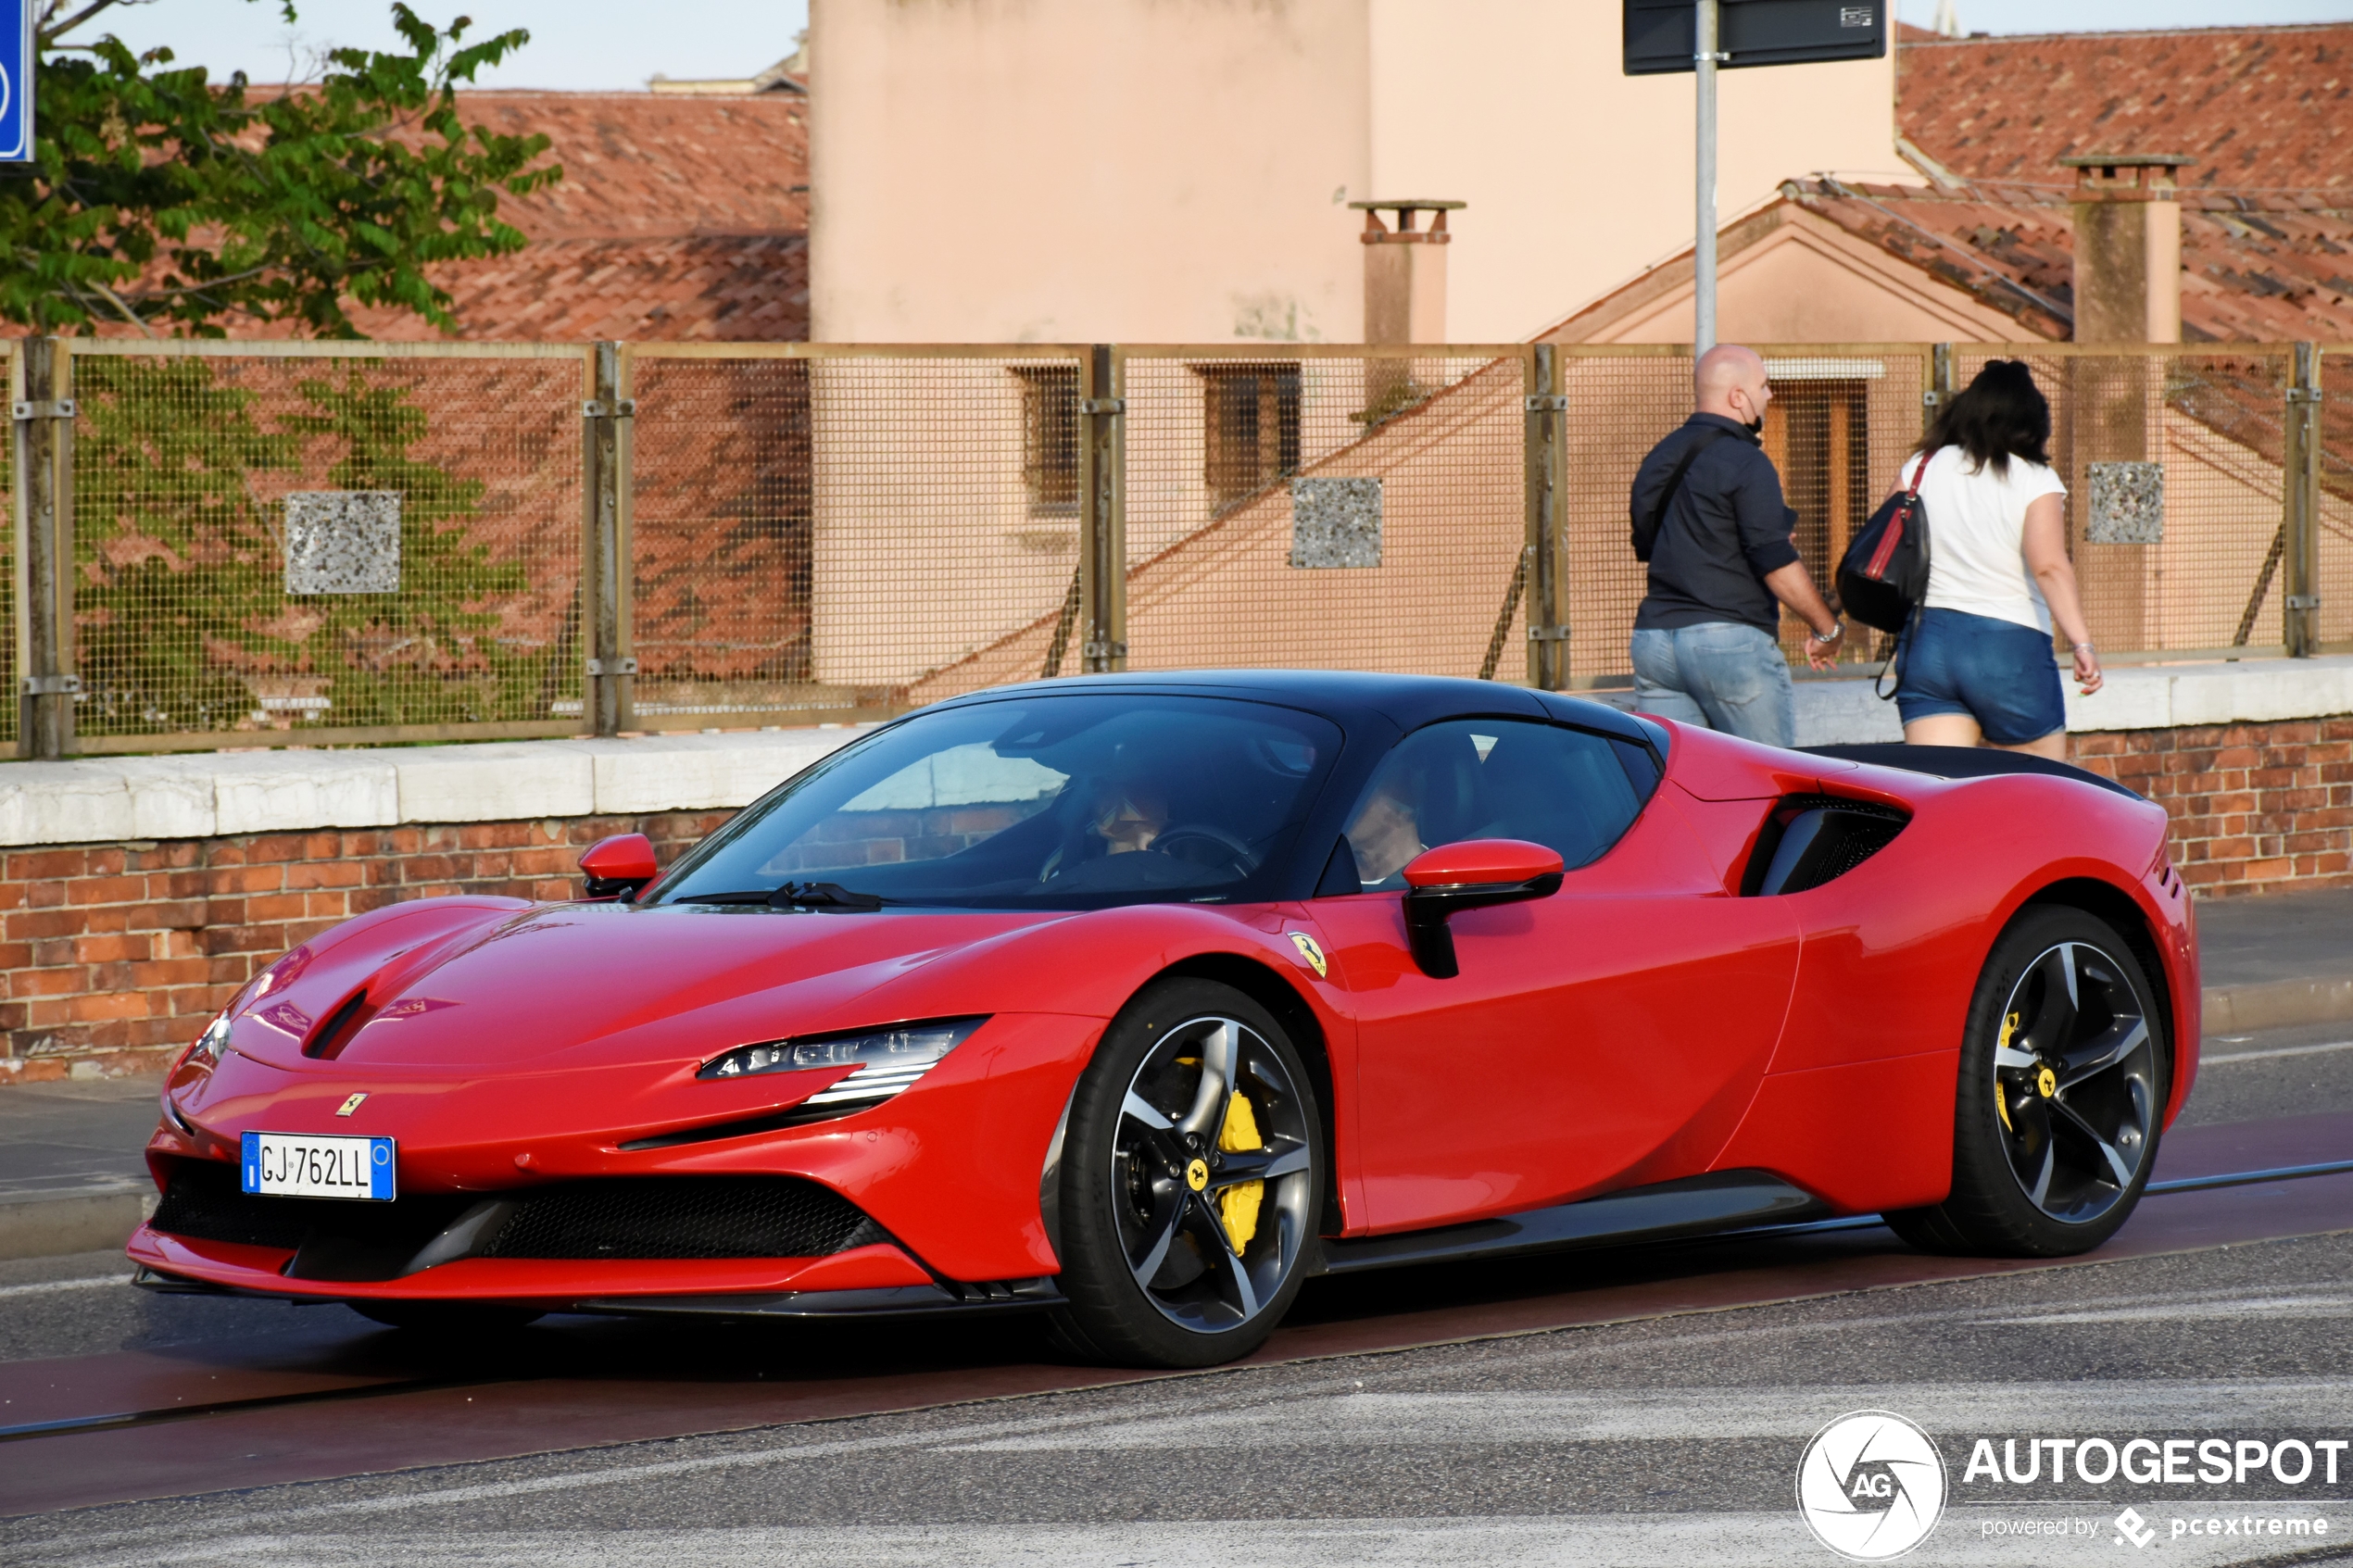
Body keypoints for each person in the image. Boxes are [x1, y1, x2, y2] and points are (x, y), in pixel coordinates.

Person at [1629, 345, 1844, 746]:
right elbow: (1774, 561)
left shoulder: (1659, 456)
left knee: (1677, 785)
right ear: (1737, 397)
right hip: (1728, 642)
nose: (1770, 395)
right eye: (1763, 386)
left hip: (1655, 644)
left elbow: (1650, 543)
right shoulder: (1747, 460)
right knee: (1768, 780)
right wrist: (1828, 628)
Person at [1892, 360, 2103, 759]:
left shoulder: (1922, 467)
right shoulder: (2034, 479)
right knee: (2035, 794)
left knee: (1939, 790)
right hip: (2008, 646)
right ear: (2032, 421)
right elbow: (2048, 567)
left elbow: (1884, 544)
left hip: (1928, 642)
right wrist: (2082, 643)